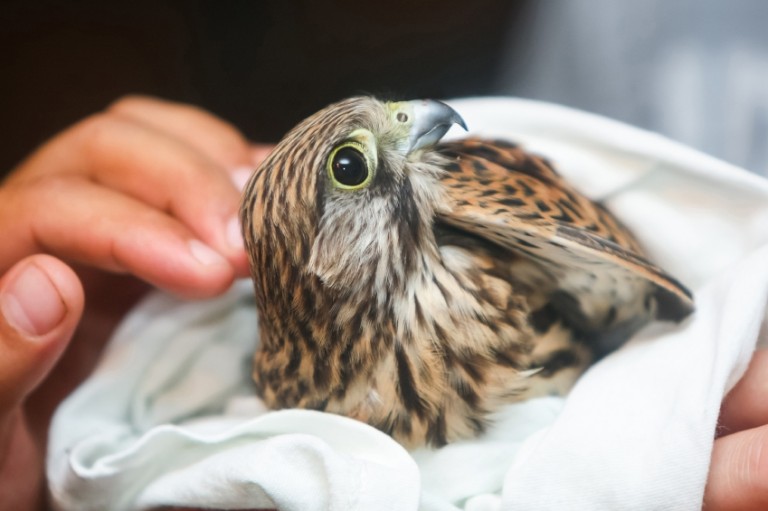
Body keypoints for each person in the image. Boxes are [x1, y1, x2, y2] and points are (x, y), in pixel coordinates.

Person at [0, 97, 764, 510]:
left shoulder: (491, 228)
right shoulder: (289, 390)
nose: (417, 121)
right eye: (354, 163)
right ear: (325, 262)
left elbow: (663, 290)